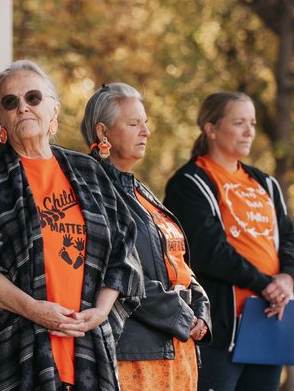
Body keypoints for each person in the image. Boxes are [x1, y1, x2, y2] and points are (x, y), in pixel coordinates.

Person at [0, 60, 144, 391]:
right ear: (0, 117)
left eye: (33, 97)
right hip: (10, 346)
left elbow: (122, 247)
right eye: (10, 102)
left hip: (84, 343)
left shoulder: (88, 171)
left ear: (54, 107)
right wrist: (34, 310)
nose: (22, 107)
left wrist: (100, 311)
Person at [163, 92, 294, 390]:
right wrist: (265, 284)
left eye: (251, 123)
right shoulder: (189, 183)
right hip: (219, 329)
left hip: (268, 321)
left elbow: (289, 237)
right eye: (239, 122)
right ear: (211, 129)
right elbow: (208, 251)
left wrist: (287, 279)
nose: (249, 131)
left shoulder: (266, 183)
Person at [80, 83, 212, 391]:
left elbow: (176, 261)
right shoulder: (93, 191)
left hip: (177, 349)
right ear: (103, 132)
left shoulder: (139, 189)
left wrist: (201, 309)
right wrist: (182, 315)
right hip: (136, 355)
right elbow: (115, 272)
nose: (146, 132)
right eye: (133, 123)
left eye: (146, 123)